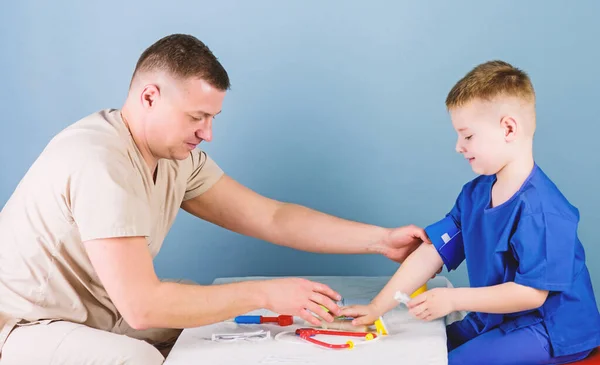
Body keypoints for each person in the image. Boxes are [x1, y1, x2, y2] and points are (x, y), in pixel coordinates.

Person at [0, 34, 432, 364]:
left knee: (223, 329)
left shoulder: (175, 157)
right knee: (139, 360)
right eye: (196, 117)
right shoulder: (99, 161)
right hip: (27, 324)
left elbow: (273, 217)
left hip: (103, 313)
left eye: (212, 117)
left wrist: (381, 239)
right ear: (149, 96)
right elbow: (144, 306)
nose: (207, 133)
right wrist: (265, 293)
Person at [339, 60, 600, 364]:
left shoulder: (543, 212)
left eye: (468, 135)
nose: (458, 147)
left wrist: (453, 299)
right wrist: (376, 307)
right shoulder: (474, 195)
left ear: (508, 128)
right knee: (421, 351)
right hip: (497, 317)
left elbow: (532, 295)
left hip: (552, 329)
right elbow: (432, 251)